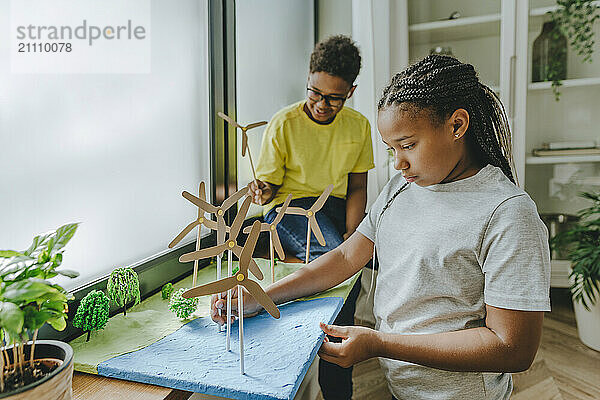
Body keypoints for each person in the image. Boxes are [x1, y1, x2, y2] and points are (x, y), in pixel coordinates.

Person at [222, 54, 550, 399]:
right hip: (402, 387)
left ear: (457, 125)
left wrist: (380, 343)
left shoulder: (508, 214)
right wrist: (260, 296)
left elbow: (513, 348)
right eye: (391, 148)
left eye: (408, 145)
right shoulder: (401, 188)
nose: (399, 162)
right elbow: (347, 256)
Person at [247, 35, 375, 400]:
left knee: (353, 267)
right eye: (314, 92)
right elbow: (269, 188)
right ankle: (332, 386)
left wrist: (355, 240)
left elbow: (357, 189)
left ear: (350, 91)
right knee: (335, 267)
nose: (321, 104)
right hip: (290, 208)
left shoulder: (359, 126)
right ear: (308, 78)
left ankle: (335, 381)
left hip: (334, 208)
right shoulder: (284, 122)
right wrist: (261, 190)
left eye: (333, 98)